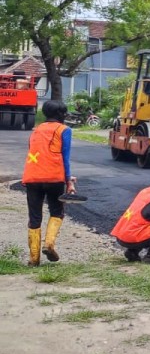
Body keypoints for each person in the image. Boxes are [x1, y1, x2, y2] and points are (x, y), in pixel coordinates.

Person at [21, 99, 76, 266]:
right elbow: (65, 158)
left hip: (32, 177)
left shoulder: (35, 131)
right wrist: (69, 180)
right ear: (61, 114)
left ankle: (33, 259)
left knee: (34, 216)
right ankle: (49, 244)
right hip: (54, 177)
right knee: (57, 211)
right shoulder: (64, 130)